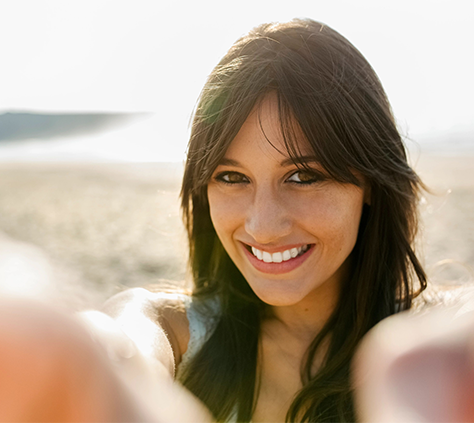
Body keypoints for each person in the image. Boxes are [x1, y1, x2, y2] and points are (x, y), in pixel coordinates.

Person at [99, 17, 427, 423]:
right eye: (232, 178)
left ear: (372, 182)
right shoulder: (171, 331)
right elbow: (119, 349)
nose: (262, 226)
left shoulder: (435, 343)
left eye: (304, 177)